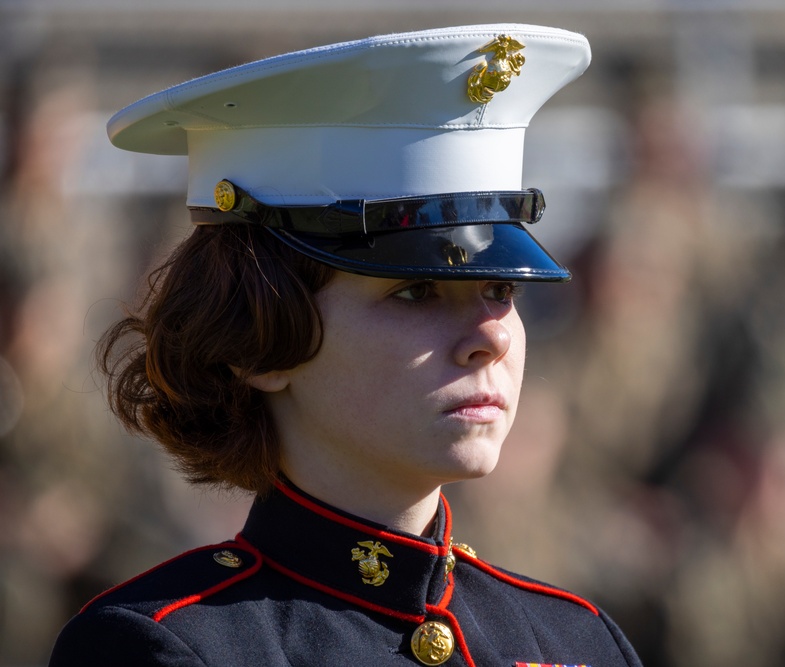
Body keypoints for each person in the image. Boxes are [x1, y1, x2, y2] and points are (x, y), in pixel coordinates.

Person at [47, 23, 642, 667]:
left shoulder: (578, 642)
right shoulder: (163, 648)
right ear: (258, 344)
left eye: (501, 288)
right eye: (416, 292)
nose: (492, 337)